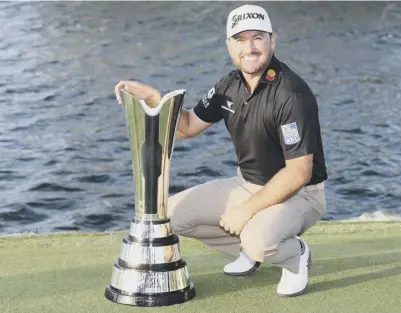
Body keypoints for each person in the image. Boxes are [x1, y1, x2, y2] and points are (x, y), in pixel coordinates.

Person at [114, 4, 328, 297]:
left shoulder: (291, 93)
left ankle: (295, 255)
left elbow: (299, 172)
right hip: (246, 183)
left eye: (257, 38)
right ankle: (250, 249)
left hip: (300, 194)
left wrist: (246, 212)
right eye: (240, 39)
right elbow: (187, 126)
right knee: (168, 217)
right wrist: (154, 97)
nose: (249, 48)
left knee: (258, 238)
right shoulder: (229, 85)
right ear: (230, 46)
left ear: (272, 41)